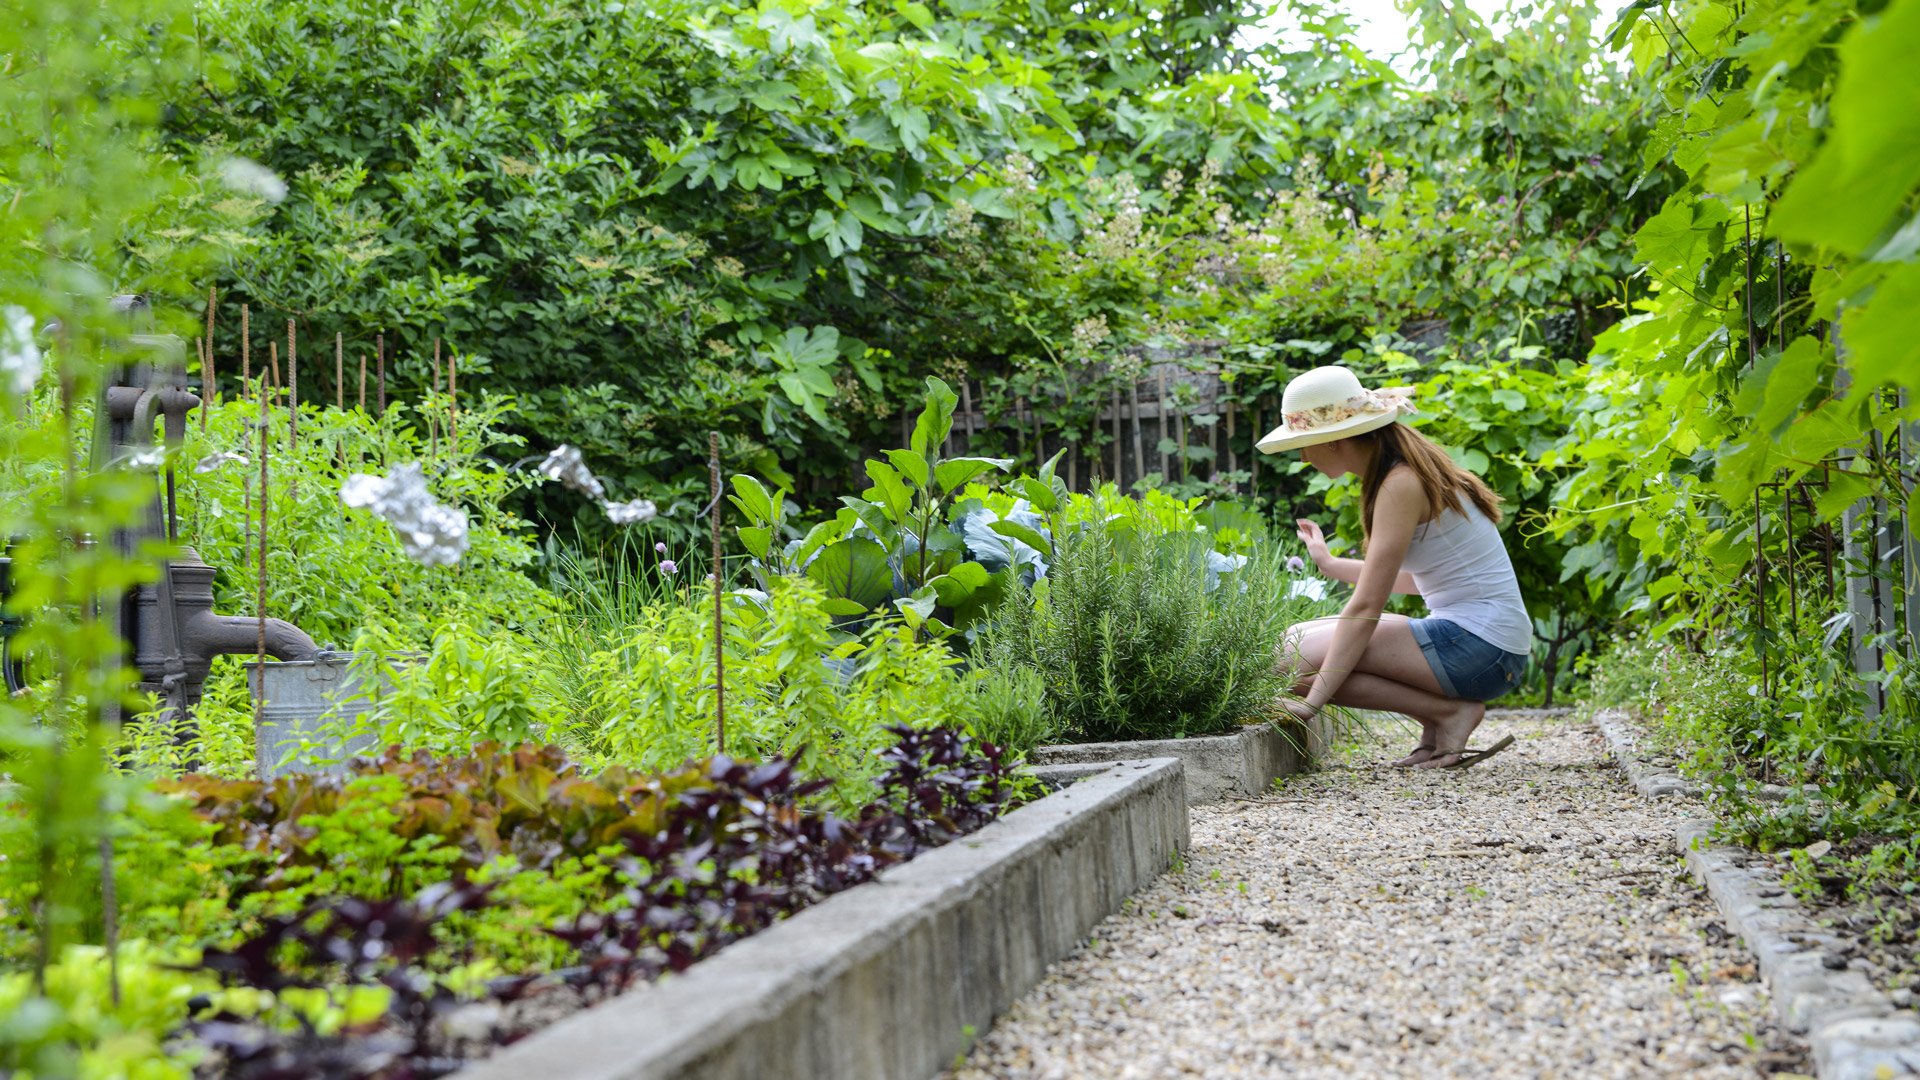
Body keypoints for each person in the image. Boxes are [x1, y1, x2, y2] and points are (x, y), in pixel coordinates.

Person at [1258, 365, 1532, 769]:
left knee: (1287, 660)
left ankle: (1448, 714)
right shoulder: (1403, 472)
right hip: (1488, 645)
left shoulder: (1399, 483)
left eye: (1305, 443)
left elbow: (1367, 606)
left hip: (1481, 649)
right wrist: (1330, 564)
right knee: (1287, 644)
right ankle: (1439, 716)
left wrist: (1313, 703)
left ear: (1334, 441)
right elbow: (1418, 582)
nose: (1302, 456)